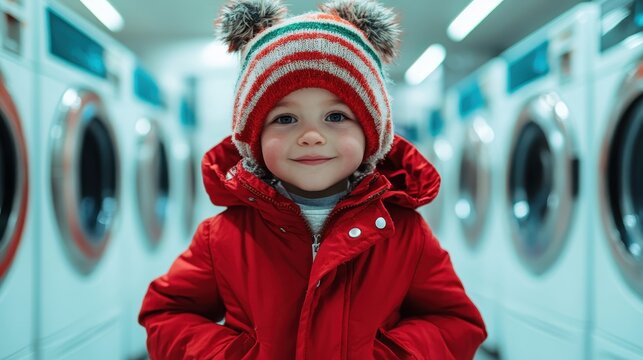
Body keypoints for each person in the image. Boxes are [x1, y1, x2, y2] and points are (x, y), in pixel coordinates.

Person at [138, 0, 487, 358]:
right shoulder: (223, 236)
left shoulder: (404, 233)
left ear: (372, 134)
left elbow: (454, 321)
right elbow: (167, 313)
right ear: (252, 139)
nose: (311, 136)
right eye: (285, 119)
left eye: (335, 116)